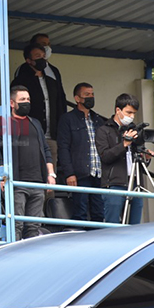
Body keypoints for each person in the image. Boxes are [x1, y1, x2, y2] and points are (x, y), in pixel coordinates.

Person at [9, 85, 56, 239]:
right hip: (17, 183)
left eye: (28, 99)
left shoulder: (35, 123)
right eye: (22, 99)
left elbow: (46, 149)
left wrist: (50, 174)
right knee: (16, 224)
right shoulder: (6, 124)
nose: (27, 102)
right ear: (12, 103)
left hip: (37, 182)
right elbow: (0, 151)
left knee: (33, 226)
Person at [11, 40, 66, 166]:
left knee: (51, 171)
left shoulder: (52, 81)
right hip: (29, 135)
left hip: (51, 137)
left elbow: (60, 105)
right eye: (37, 56)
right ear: (29, 60)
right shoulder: (21, 81)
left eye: (43, 56)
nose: (42, 59)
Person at [57, 82, 105, 223]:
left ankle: (97, 236)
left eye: (92, 94)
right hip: (80, 174)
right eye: (87, 95)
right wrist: (69, 173)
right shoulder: (67, 119)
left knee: (99, 213)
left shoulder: (98, 120)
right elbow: (63, 148)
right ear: (77, 98)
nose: (91, 97)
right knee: (80, 212)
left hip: (99, 174)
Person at [95, 93, 145, 224]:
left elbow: (138, 157)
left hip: (135, 182)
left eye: (134, 113)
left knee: (135, 225)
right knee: (113, 225)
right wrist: (124, 144)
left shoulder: (133, 129)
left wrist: (145, 156)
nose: (131, 116)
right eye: (128, 112)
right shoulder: (104, 130)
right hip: (114, 184)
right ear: (118, 110)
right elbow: (105, 156)